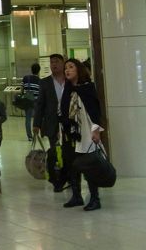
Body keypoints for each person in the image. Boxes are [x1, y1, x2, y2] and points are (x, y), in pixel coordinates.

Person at [59, 58, 104, 211]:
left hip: (87, 132)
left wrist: (96, 130)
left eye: (71, 67)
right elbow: (64, 111)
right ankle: (77, 196)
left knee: (89, 165)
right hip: (72, 133)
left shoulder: (87, 88)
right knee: (72, 164)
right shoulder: (68, 89)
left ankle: (94, 198)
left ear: (78, 69)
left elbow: (95, 111)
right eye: (66, 68)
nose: (67, 70)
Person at [33, 53, 68, 192]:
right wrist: (36, 123)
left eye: (57, 61)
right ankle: (57, 179)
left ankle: (69, 176)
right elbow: (40, 104)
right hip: (52, 124)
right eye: (51, 62)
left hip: (69, 124)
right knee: (55, 152)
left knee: (68, 152)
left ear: (63, 63)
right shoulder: (45, 82)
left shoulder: (69, 80)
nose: (54, 64)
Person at [22, 62, 41, 141]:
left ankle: (29, 136)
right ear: (39, 71)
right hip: (36, 101)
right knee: (37, 118)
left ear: (31, 70)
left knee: (28, 119)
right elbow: (40, 92)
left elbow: (22, 89)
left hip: (28, 100)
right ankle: (37, 134)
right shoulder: (40, 80)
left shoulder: (26, 78)